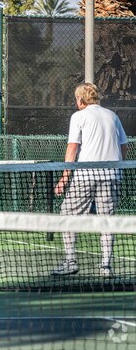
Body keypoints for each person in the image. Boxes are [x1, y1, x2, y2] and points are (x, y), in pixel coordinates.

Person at [52, 83, 127, 278]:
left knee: (67, 215)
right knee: (107, 221)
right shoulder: (112, 116)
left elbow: (72, 148)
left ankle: (70, 262)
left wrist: (64, 178)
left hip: (85, 175)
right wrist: (118, 167)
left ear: (80, 100)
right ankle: (105, 267)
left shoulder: (78, 116)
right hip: (112, 176)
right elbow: (123, 146)